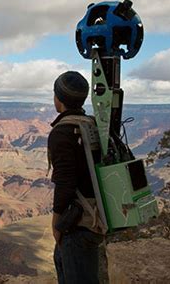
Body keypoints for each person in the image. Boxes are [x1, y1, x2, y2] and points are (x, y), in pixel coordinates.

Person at [48, 71, 105, 284]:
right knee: (62, 261)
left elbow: (65, 182)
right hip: (94, 216)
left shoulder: (62, 132)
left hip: (78, 223)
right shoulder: (90, 124)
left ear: (58, 99)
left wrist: (56, 223)